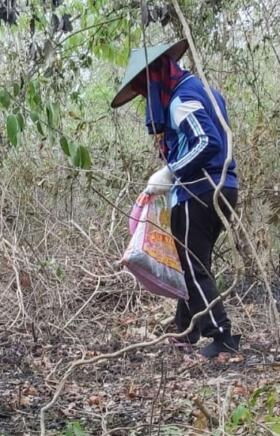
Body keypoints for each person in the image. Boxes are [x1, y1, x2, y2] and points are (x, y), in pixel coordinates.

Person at [111, 40, 240, 358]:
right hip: (223, 187)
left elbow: (207, 141)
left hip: (200, 190)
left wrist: (171, 173)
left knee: (194, 267)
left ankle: (220, 335)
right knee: (194, 263)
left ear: (155, 77)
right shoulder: (203, 90)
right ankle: (187, 327)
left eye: (145, 87)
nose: (146, 96)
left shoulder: (182, 95)